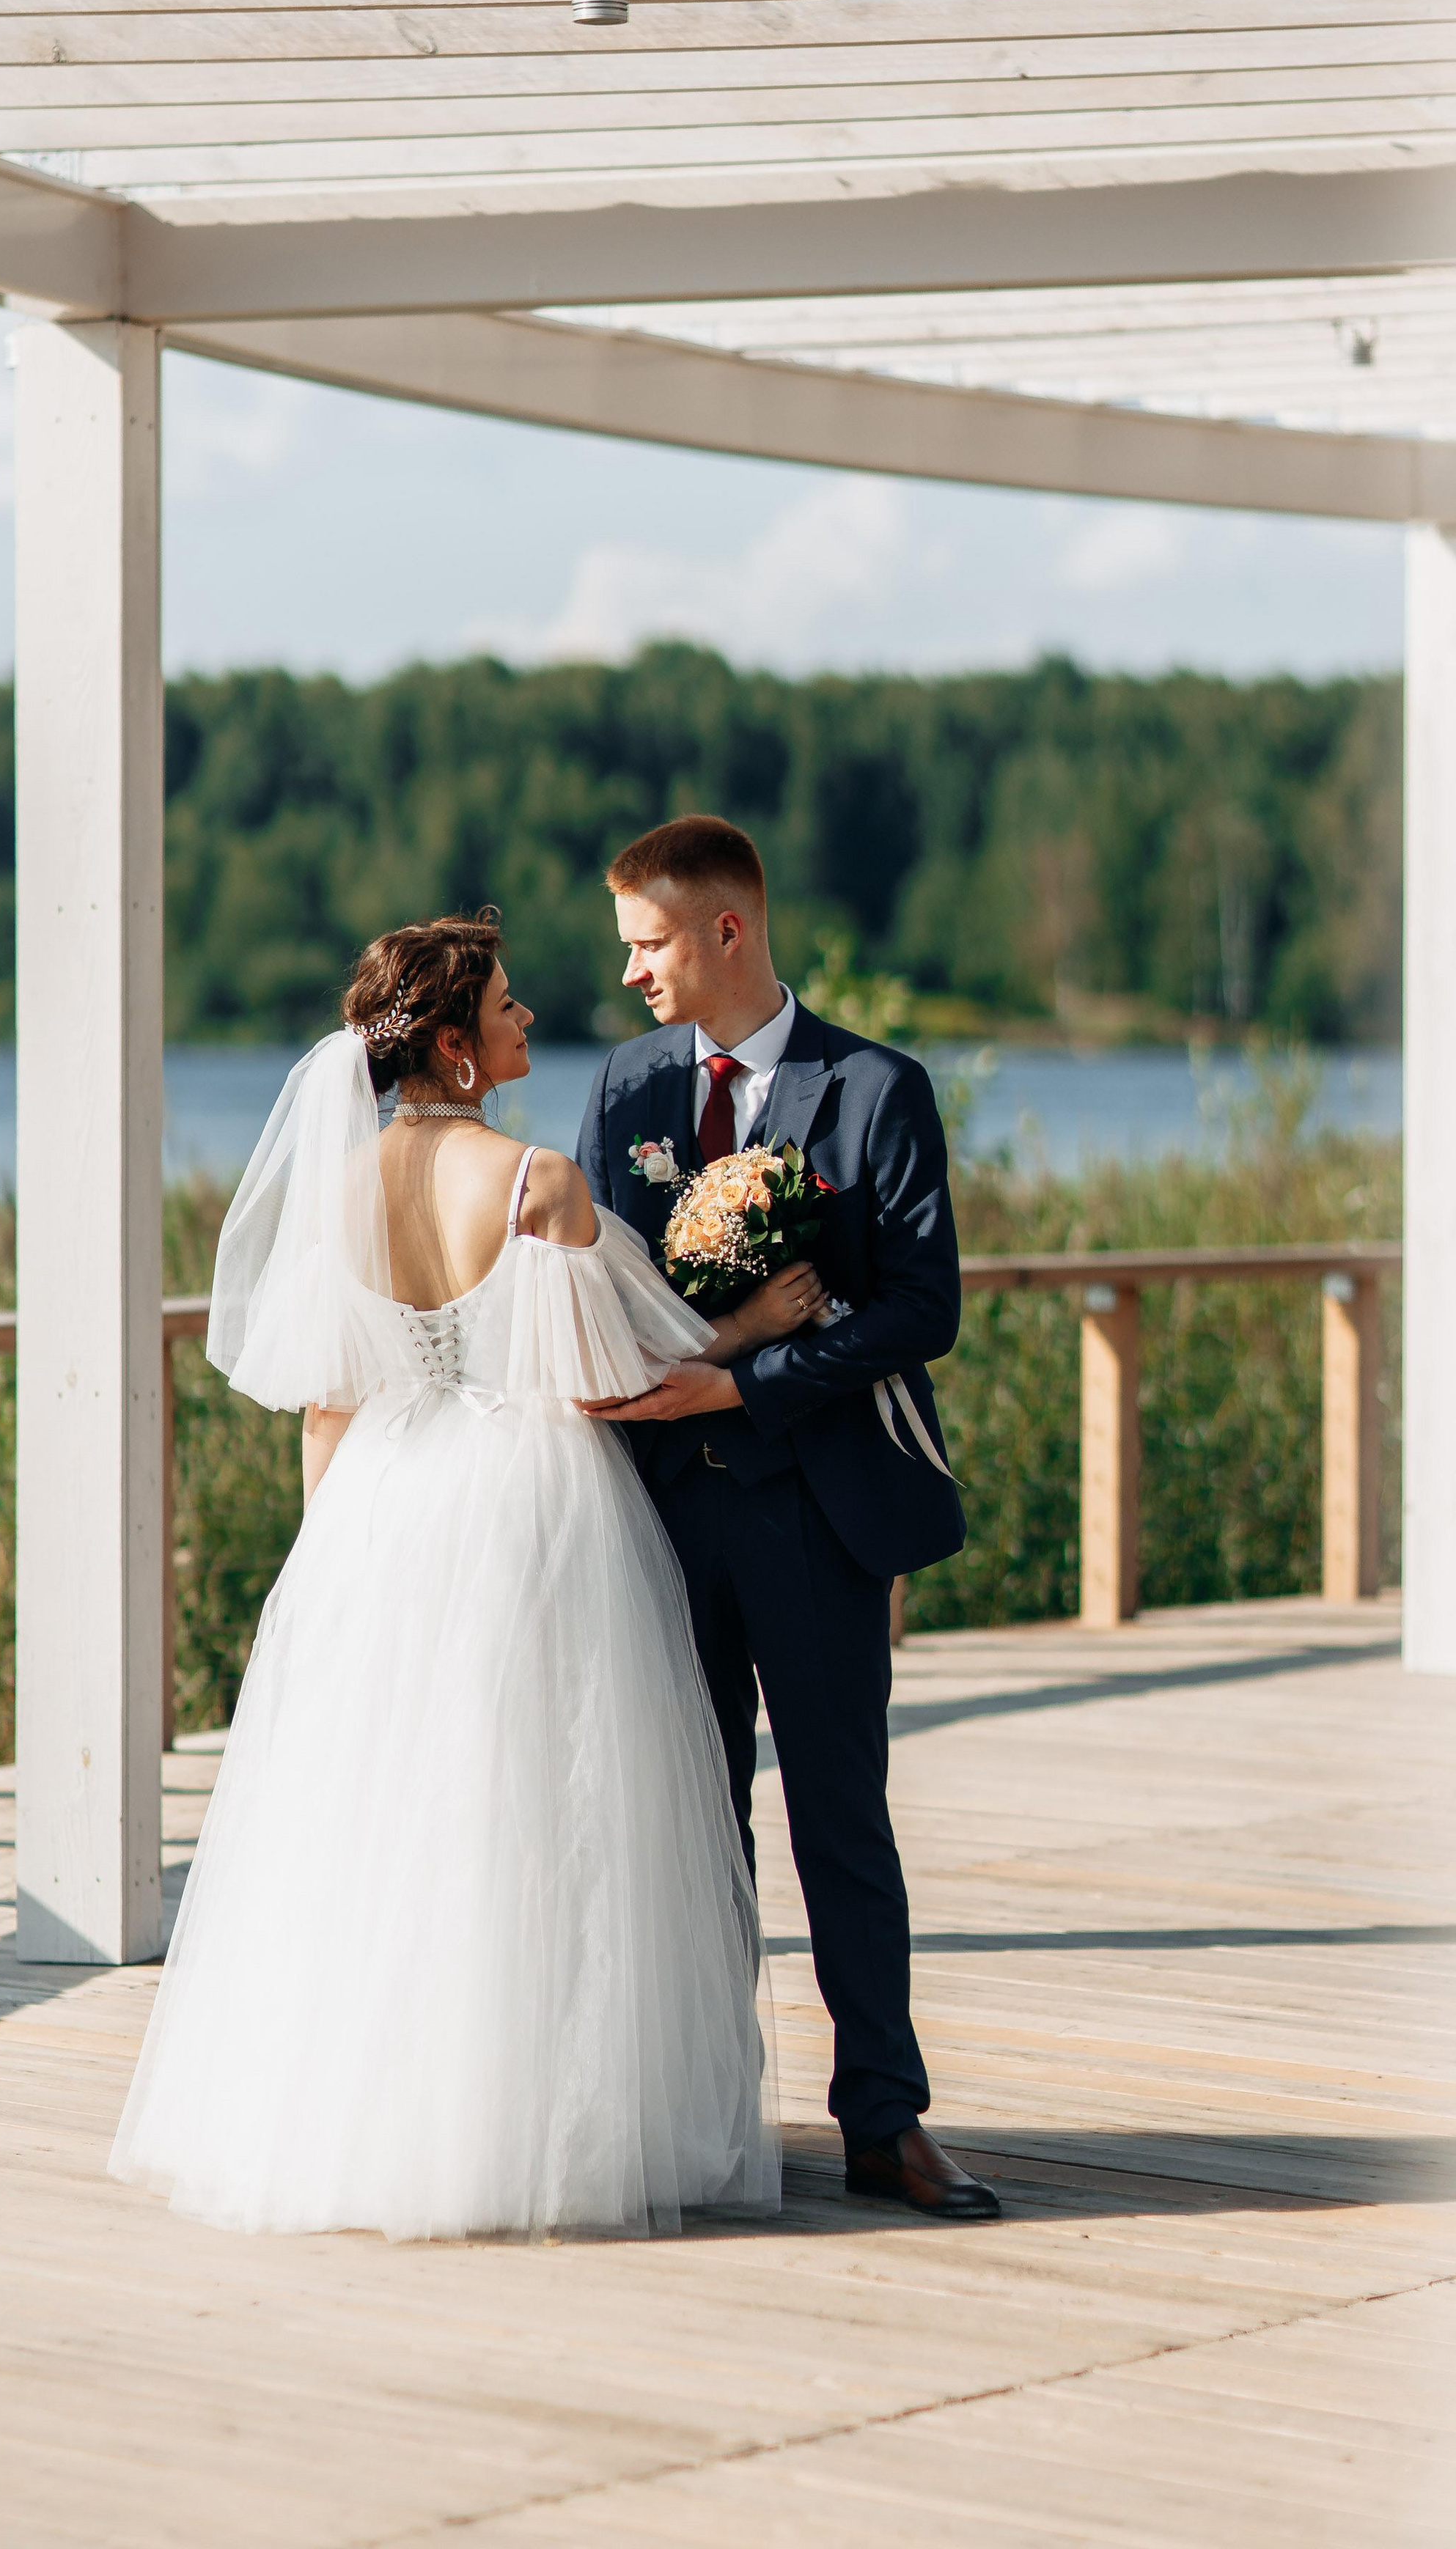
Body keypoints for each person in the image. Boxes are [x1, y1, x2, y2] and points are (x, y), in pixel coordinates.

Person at [111, 913, 814, 2240]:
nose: (529, 1017)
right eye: (506, 1003)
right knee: (540, 1811)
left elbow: (327, 1410)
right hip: (524, 1506)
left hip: (383, 1507)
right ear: (454, 1045)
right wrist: (754, 1325)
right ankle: (538, 2125)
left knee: (399, 1815)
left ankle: (388, 2128)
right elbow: (612, 1379)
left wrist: (316, 1582)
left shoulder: (337, 1188)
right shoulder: (537, 1179)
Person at [576, 816, 1001, 2223]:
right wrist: (714, 1354)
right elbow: (598, 1296)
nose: (632, 973)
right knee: (690, 1828)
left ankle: (884, 2120)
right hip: (661, 1525)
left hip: (818, 1519)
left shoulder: (877, 1090)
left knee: (841, 1824)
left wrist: (747, 1381)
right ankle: (706, 2125)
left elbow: (919, 1309)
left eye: (648, 944)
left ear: (726, 932)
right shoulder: (628, 1089)